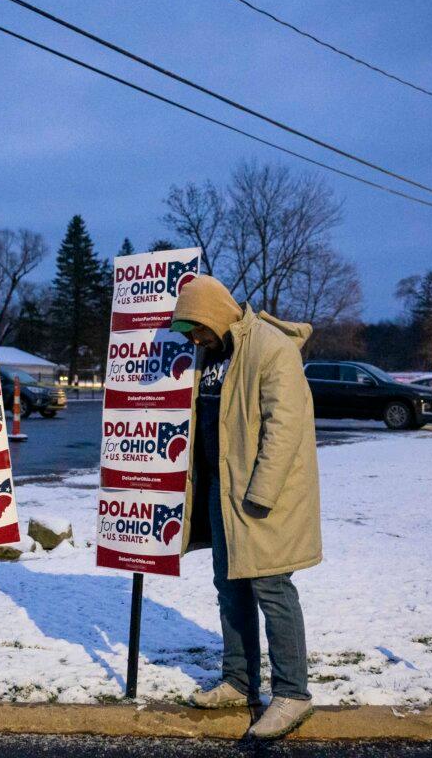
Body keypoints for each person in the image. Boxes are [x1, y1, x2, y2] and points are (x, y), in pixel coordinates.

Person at [170, 275, 322, 740]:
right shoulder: (210, 354)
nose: (193, 338)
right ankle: (239, 680)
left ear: (216, 313)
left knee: (271, 586)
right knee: (229, 586)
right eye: (187, 331)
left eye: (196, 327)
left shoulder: (272, 349)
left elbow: (284, 427)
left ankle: (293, 692)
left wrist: (261, 493)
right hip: (220, 489)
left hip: (262, 496)